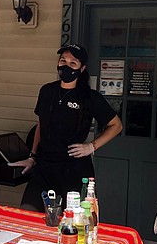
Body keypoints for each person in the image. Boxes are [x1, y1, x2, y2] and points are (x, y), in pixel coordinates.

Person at [11, 44, 122, 211]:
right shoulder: (47, 91)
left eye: (73, 63)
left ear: (82, 68)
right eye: (63, 60)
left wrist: (91, 147)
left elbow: (116, 125)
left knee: (72, 223)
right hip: (44, 167)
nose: (66, 66)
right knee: (29, 214)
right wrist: (32, 156)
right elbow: (41, 125)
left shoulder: (89, 97)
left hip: (73, 169)